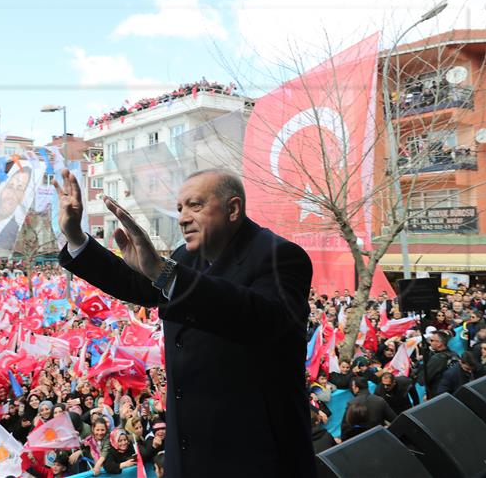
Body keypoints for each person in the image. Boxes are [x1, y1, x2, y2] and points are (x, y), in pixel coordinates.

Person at [54, 168, 315, 477]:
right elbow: (138, 284)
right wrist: (76, 238)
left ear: (233, 209)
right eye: (179, 208)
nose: (182, 218)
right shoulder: (186, 257)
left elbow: (256, 316)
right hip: (189, 456)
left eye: (195, 205)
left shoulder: (279, 256)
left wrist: (164, 273)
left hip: (254, 456)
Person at [0, 166, 35, 250]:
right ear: (2, 190)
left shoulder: (17, 230)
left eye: (19, 188)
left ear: (22, 196)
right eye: (10, 186)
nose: (11, 195)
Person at [425, 332, 459, 399]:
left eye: (432, 340)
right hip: (455, 392)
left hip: (441, 396)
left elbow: (424, 378)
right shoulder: (455, 354)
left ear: (439, 343)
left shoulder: (437, 358)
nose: (430, 342)